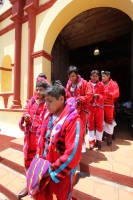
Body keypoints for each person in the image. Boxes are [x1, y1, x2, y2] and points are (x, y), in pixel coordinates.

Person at [30, 80, 83, 200]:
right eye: (45, 101)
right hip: (44, 167)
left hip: (58, 172)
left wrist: (52, 170)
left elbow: (73, 154)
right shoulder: (48, 115)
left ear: (61, 99)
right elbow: (42, 139)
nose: (46, 105)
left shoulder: (73, 121)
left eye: (50, 101)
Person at [18, 81, 49, 199]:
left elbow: (48, 121)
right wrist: (25, 118)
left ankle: (36, 185)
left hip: (40, 138)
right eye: (37, 89)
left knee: (38, 161)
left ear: (45, 90)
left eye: (41, 89)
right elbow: (26, 113)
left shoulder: (47, 104)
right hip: (29, 136)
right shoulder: (31, 102)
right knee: (28, 160)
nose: (39, 92)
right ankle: (28, 184)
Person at [66, 66, 92, 152]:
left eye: (73, 76)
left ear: (77, 75)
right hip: (71, 110)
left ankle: (81, 147)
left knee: (80, 127)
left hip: (82, 110)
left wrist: (79, 99)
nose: (71, 78)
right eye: (69, 76)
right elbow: (67, 95)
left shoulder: (85, 83)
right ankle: (73, 146)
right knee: (72, 128)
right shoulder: (69, 84)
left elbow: (89, 96)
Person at [88, 70, 105, 150]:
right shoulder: (87, 84)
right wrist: (91, 97)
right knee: (90, 124)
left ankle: (99, 140)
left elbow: (105, 95)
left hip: (99, 107)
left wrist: (98, 96)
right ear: (90, 76)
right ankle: (91, 142)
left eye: (96, 76)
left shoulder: (101, 85)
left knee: (99, 124)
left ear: (98, 77)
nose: (94, 77)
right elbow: (85, 94)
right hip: (90, 107)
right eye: (93, 76)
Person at [101, 71, 119, 146]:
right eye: (102, 76)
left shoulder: (114, 84)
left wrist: (109, 94)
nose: (102, 78)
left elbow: (117, 93)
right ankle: (101, 135)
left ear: (108, 76)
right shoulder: (100, 84)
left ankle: (109, 136)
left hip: (109, 105)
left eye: (104, 76)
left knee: (109, 121)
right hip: (100, 105)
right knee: (101, 121)